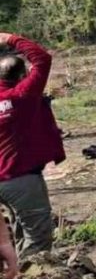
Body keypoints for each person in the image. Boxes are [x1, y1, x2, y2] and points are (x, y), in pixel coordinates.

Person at [0, 33, 66, 260]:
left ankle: (14, 275)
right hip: (20, 178)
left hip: (4, 181)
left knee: (18, 227)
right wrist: (10, 38)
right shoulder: (22, 95)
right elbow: (42, 59)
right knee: (38, 236)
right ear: (22, 75)